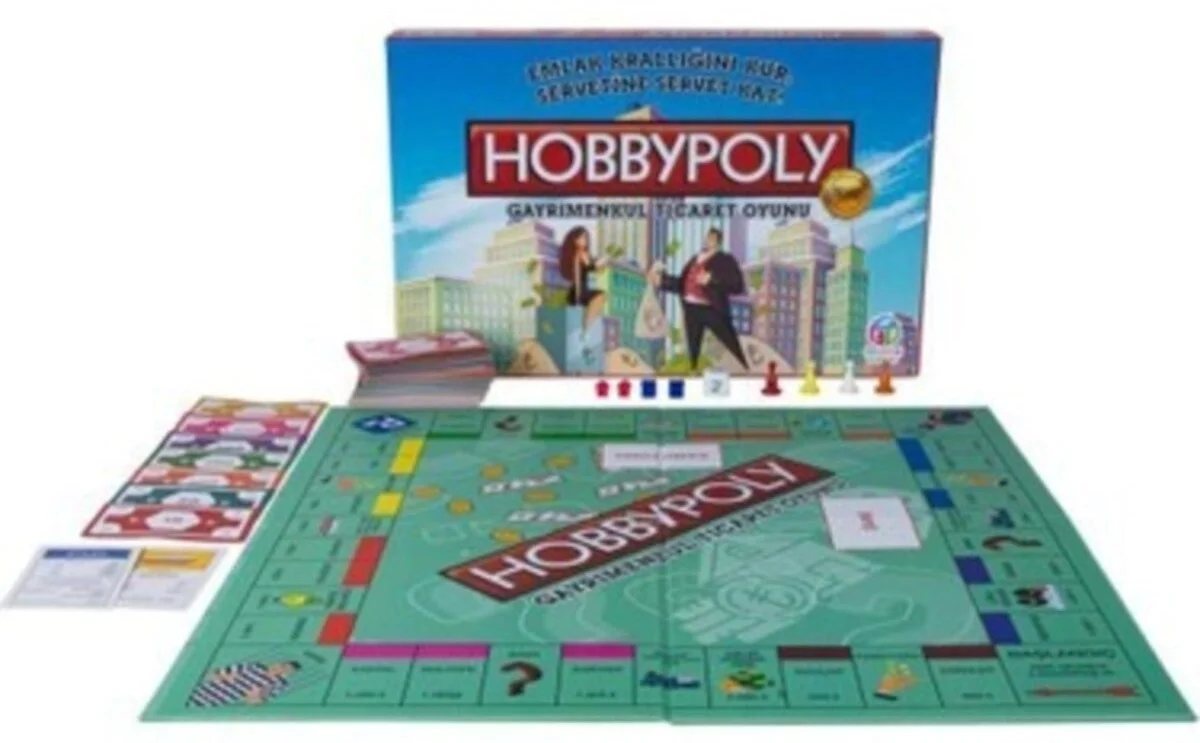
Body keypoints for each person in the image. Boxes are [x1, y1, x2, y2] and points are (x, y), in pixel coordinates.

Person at [648, 227, 749, 371]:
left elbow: (737, 285)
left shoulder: (725, 260)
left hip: (712, 310)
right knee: (693, 353)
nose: (708, 240)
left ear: (718, 242)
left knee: (731, 347)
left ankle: (746, 369)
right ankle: (694, 372)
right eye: (707, 237)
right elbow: (682, 284)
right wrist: (662, 281)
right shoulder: (694, 260)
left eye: (712, 238)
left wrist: (712, 280)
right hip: (691, 309)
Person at [188, 659, 302, 707]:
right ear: (277, 663)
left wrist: (255, 696)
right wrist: (223, 677)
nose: (280, 670)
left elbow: (254, 702)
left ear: (287, 674)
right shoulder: (254, 666)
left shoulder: (279, 684)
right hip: (201, 690)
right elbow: (213, 674)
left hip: (215, 702)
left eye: (286, 670)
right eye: (282, 666)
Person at [558, 226, 607, 329]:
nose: (585, 240)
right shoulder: (579, 254)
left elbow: (591, 270)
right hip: (580, 290)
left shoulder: (585, 254)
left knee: (599, 299)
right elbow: (589, 269)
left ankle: (586, 327)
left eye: (586, 237)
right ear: (575, 240)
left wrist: (598, 265)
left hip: (583, 289)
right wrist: (598, 264)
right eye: (582, 237)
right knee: (600, 296)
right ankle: (585, 328)